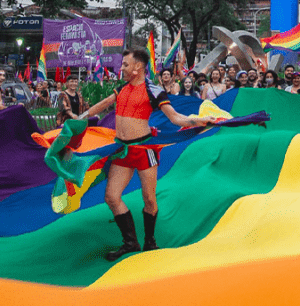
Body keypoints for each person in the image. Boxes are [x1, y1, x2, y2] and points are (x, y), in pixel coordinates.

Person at [85, 48, 217, 261]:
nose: (122, 68)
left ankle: (150, 241)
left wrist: (199, 121)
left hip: (145, 150)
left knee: (149, 198)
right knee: (111, 196)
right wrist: (80, 116)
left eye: (126, 65)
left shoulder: (153, 91)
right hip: (122, 149)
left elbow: (175, 118)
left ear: (138, 68)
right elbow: (105, 103)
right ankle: (130, 242)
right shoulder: (122, 88)